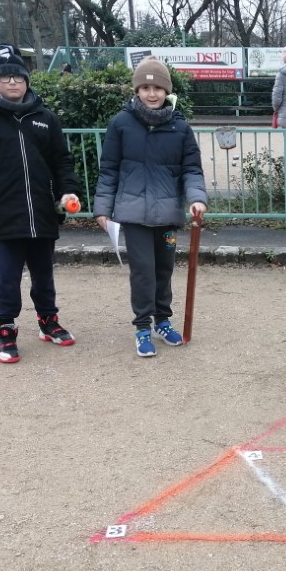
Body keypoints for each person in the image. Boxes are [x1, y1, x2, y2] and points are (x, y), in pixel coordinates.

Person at [0, 44, 81, 364]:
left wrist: (67, 192)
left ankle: (48, 321)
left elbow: (62, 162)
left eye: (18, 77)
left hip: (42, 213)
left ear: (27, 81)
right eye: (5, 77)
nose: (13, 83)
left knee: (44, 275)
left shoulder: (45, 117)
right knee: (8, 276)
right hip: (2, 215)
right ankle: (6, 329)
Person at [93, 57, 208, 358]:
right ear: (137, 90)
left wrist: (197, 198)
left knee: (164, 270)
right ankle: (142, 326)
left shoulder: (180, 127)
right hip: (133, 215)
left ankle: (163, 320)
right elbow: (109, 170)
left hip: (167, 216)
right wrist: (102, 209)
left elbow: (192, 170)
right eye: (145, 87)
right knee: (142, 272)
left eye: (157, 87)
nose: (152, 93)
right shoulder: (120, 123)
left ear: (166, 90)